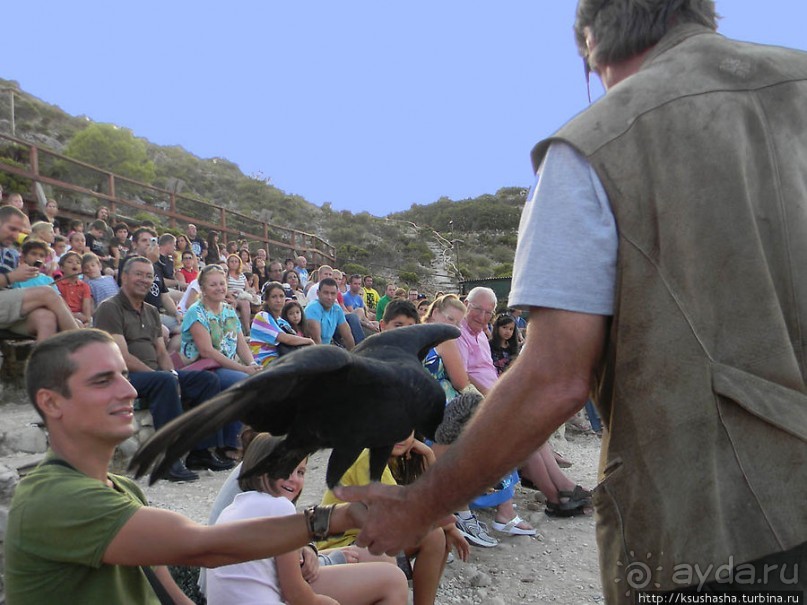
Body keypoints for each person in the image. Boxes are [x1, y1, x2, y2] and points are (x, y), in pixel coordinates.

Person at [336, 1, 807, 599]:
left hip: (721, 528)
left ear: (592, 43)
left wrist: (418, 505)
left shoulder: (595, 145)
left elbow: (556, 378)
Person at [4, 329, 366, 605]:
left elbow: (171, 591)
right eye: (103, 380)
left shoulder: (123, 488)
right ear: (51, 402)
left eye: (124, 375)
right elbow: (204, 548)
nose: (129, 391)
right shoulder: (53, 498)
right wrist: (338, 519)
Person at [206, 434, 409, 605]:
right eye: (286, 469)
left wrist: (316, 551)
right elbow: (294, 593)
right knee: (394, 580)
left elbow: (277, 564)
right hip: (274, 595)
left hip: (264, 588)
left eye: (300, 471)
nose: (294, 479)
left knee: (379, 558)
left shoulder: (238, 506)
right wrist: (325, 602)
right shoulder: (278, 506)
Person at [94, 256, 232, 479]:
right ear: (124, 277)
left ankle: (201, 452)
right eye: (139, 274)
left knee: (206, 381)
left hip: (153, 375)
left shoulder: (150, 310)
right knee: (165, 380)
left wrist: (172, 374)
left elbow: (161, 352)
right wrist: (162, 376)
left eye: (149, 276)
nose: (145, 280)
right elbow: (121, 357)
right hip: (122, 377)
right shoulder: (109, 308)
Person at [249, 282, 315, 366]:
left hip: (282, 359)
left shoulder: (282, 322)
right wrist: (309, 341)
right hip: (265, 363)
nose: (278, 300)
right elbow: (285, 338)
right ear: (267, 300)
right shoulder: (262, 316)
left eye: (281, 296)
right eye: (274, 297)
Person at [305, 277, 355, 350]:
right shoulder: (313, 309)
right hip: (310, 351)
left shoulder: (337, 309)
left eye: (333, 293)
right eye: (326, 293)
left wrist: (353, 357)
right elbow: (316, 341)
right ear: (318, 293)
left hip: (326, 348)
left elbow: (347, 336)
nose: (329, 297)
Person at [55, 251, 93, 327]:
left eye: (78, 262)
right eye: (69, 262)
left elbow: (86, 308)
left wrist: (87, 321)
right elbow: (58, 308)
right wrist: (74, 315)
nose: (74, 264)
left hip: (81, 317)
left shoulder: (84, 286)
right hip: (63, 316)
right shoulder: (57, 285)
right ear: (62, 268)